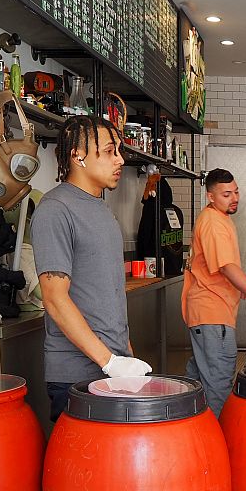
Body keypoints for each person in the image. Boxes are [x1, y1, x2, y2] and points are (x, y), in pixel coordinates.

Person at [33, 116, 151, 422]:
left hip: (111, 369)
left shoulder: (101, 209)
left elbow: (108, 294)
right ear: (78, 156)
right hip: (76, 376)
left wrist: (126, 356)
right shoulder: (56, 209)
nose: (120, 160)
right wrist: (110, 362)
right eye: (110, 151)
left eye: (119, 151)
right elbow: (55, 299)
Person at [182, 168, 246, 415]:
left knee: (198, 380)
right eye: (226, 194)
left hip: (208, 314)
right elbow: (226, 266)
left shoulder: (218, 217)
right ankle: (218, 443)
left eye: (236, 191)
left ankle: (192, 433)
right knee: (218, 384)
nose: (234, 198)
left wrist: (245, 290)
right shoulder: (214, 223)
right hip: (213, 315)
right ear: (210, 196)